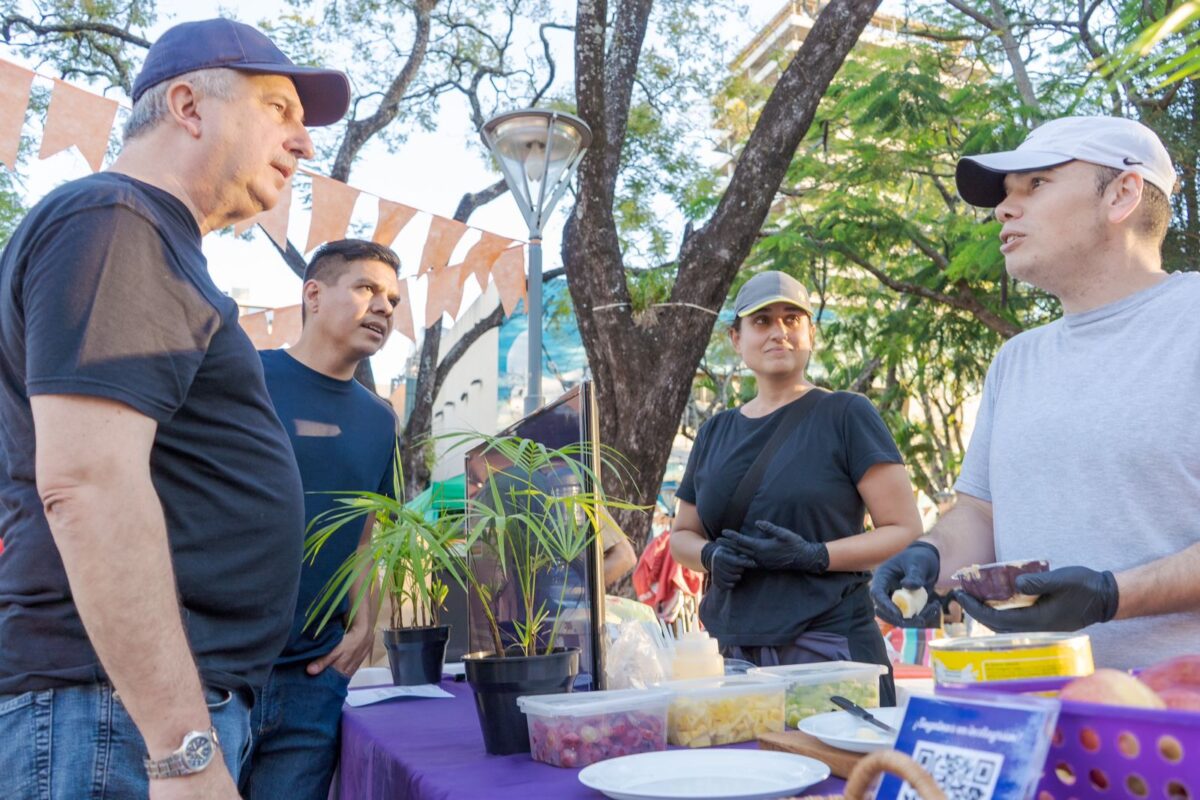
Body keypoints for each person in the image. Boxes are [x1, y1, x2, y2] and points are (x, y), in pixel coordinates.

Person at [0, 18, 349, 800]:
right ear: (189, 106)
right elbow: (86, 484)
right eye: (278, 108)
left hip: (131, 717)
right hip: (111, 722)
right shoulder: (116, 221)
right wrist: (181, 752)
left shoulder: (150, 242)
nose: (303, 142)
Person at [871, 116, 1200, 670]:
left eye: (1036, 184)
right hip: (1026, 701)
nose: (1003, 208)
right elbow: (980, 515)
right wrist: (928, 556)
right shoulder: (1015, 360)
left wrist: (1110, 595)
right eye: (1005, 194)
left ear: (1122, 193)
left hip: (1176, 724)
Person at [669, 271, 923, 703]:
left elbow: (903, 528)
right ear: (736, 338)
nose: (778, 332)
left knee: (840, 770)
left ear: (810, 333)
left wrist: (814, 556)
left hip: (828, 649)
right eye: (762, 321)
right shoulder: (714, 431)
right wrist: (710, 554)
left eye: (792, 319)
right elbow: (682, 537)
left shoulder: (846, 414)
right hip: (731, 655)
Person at [239, 239, 401, 800]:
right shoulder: (242, 378)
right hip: (215, 674)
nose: (383, 307)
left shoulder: (381, 421)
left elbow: (367, 531)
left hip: (314, 679)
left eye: (392, 300)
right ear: (313, 293)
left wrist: (364, 619)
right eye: (366, 289)